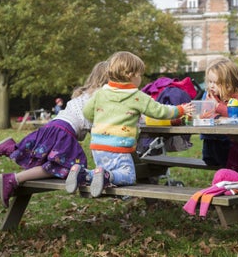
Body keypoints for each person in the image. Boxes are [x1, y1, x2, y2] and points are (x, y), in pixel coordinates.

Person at [66, 51, 194, 198]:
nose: (140, 78)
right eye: (139, 75)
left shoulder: (100, 93)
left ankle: (82, 173)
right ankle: (107, 176)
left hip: (98, 145)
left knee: (100, 171)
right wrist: (180, 109)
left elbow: (87, 112)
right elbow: (159, 111)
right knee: (128, 176)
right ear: (130, 75)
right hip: (120, 146)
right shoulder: (137, 96)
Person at [0, 61, 109, 208]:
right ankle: (13, 179)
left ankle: (10, 148)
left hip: (53, 126)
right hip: (64, 132)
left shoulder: (83, 93)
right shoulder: (102, 95)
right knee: (67, 168)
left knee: (41, 159)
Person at [200, 57, 238, 178]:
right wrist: (215, 115)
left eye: (215, 83)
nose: (211, 86)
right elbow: (206, 113)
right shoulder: (212, 95)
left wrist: (217, 106)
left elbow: (236, 115)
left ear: (228, 84)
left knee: (225, 142)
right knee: (211, 139)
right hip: (222, 139)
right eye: (209, 82)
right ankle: (212, 158)